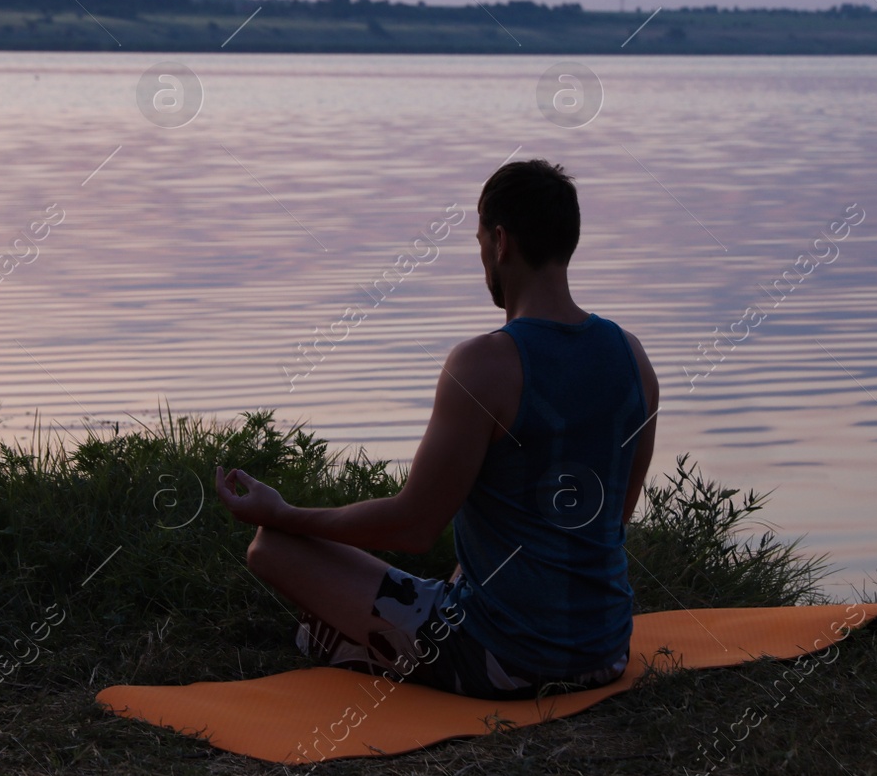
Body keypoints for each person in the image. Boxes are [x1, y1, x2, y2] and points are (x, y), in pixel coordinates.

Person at [215, 159, 660, 699]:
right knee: (433, 587)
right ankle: (369, 639)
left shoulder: (484, 365)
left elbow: (411, 528)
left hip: (509, 662)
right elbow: (613, 520)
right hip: (606, 652)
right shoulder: (631, 357)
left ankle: (358, 646)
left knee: (273, 549)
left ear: (500, 242)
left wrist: (281, 513)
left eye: (479, 244)